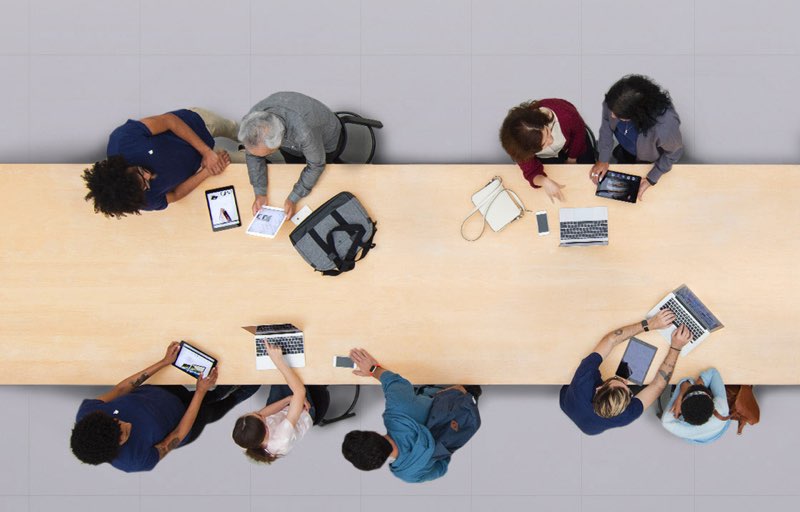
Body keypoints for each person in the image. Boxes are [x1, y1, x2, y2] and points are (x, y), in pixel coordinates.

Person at [70, 342, 259, 472]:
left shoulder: (90, 414)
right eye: (125, 432)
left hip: (162, 395)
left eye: (117, 420)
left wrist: (164, 362)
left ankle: (217, 390)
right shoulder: (136, 460)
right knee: (214, 406)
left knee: (211, 392)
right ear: (116, 448)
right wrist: (200, 393)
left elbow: (121, 389)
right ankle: (242, 390)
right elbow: (176, 435)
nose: (126, 423)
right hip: (184, 423)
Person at [340, 348, 480, 483]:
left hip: (465, 422)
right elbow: (393, 381)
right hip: (458, 397)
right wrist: (372, 369)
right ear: (373, 433)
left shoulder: (408, 474)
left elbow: (441, 469)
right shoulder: (397, 412)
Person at [83, 107, 239, 217]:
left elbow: (169, 121)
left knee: (235, 129)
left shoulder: (122, 139)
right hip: (205, 163)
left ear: (120, 168)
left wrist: (206, 152)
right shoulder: (137, 198)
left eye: (140, 173)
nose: (149, 176)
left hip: (198, 124)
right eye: (146, 185)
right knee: (254, 160)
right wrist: (207, 171)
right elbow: (176, 194)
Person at [560, 310, 691, 435]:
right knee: (636, 361)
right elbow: (657, 386)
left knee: (634, 361)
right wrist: (676, 347)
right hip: (590, 428)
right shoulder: (626, 415)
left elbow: (611, 339)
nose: (627, 381)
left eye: (621, 381)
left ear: (599, 388)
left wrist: (650, 324)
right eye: (629, 391)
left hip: (569, 402)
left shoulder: (583, 381)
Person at [239, 91, 344, 218]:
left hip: (326, 141)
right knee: (294, 171)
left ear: (277, 144)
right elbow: (253, 154)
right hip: (295, 144)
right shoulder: (252, 121)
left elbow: (316, 165)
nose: (260, 157)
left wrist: (293, 198)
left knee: (320, 186)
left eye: (267, 154)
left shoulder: (304, 130)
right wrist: (259, 193)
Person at [589, 75, 684, 201]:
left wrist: (652, 177)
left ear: (639, 114)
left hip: (650, 161)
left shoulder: (665, 125)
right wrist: (603, 158)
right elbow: (606, 127)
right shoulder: (614, 101)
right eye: (611, 110)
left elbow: (674, 153)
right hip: (626, 151)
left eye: (618, 115)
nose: (611, 115)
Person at [231, 344, 329, 463]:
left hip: (282, 410)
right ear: (266, 429)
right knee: (290, 367)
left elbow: (261, 413)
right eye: (261, 417)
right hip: (303, 413)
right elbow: (299, 392)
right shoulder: (281, 439)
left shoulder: (247, 437)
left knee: (280, 371)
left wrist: (288, 399)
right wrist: (278, 361)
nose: (260, 413)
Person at [500, 98, 597, 203]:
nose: (551, 140)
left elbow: (579, 132)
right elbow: (531, 171)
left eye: (547, 130)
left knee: (588, 179)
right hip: (548, 157)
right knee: (559, 181)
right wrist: (544, 181)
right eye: (543, 143)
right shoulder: (521, 147)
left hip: (574, 145)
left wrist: (572, 158)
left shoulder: (565, 113)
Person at [661, 367, 730, 444]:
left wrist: (681, 393)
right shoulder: (722, 408)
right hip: (718, 430)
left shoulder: (668, 422)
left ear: (681, 411)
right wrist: (684, 390)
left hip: (697, 438)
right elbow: (713, 372)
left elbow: (686, 381)